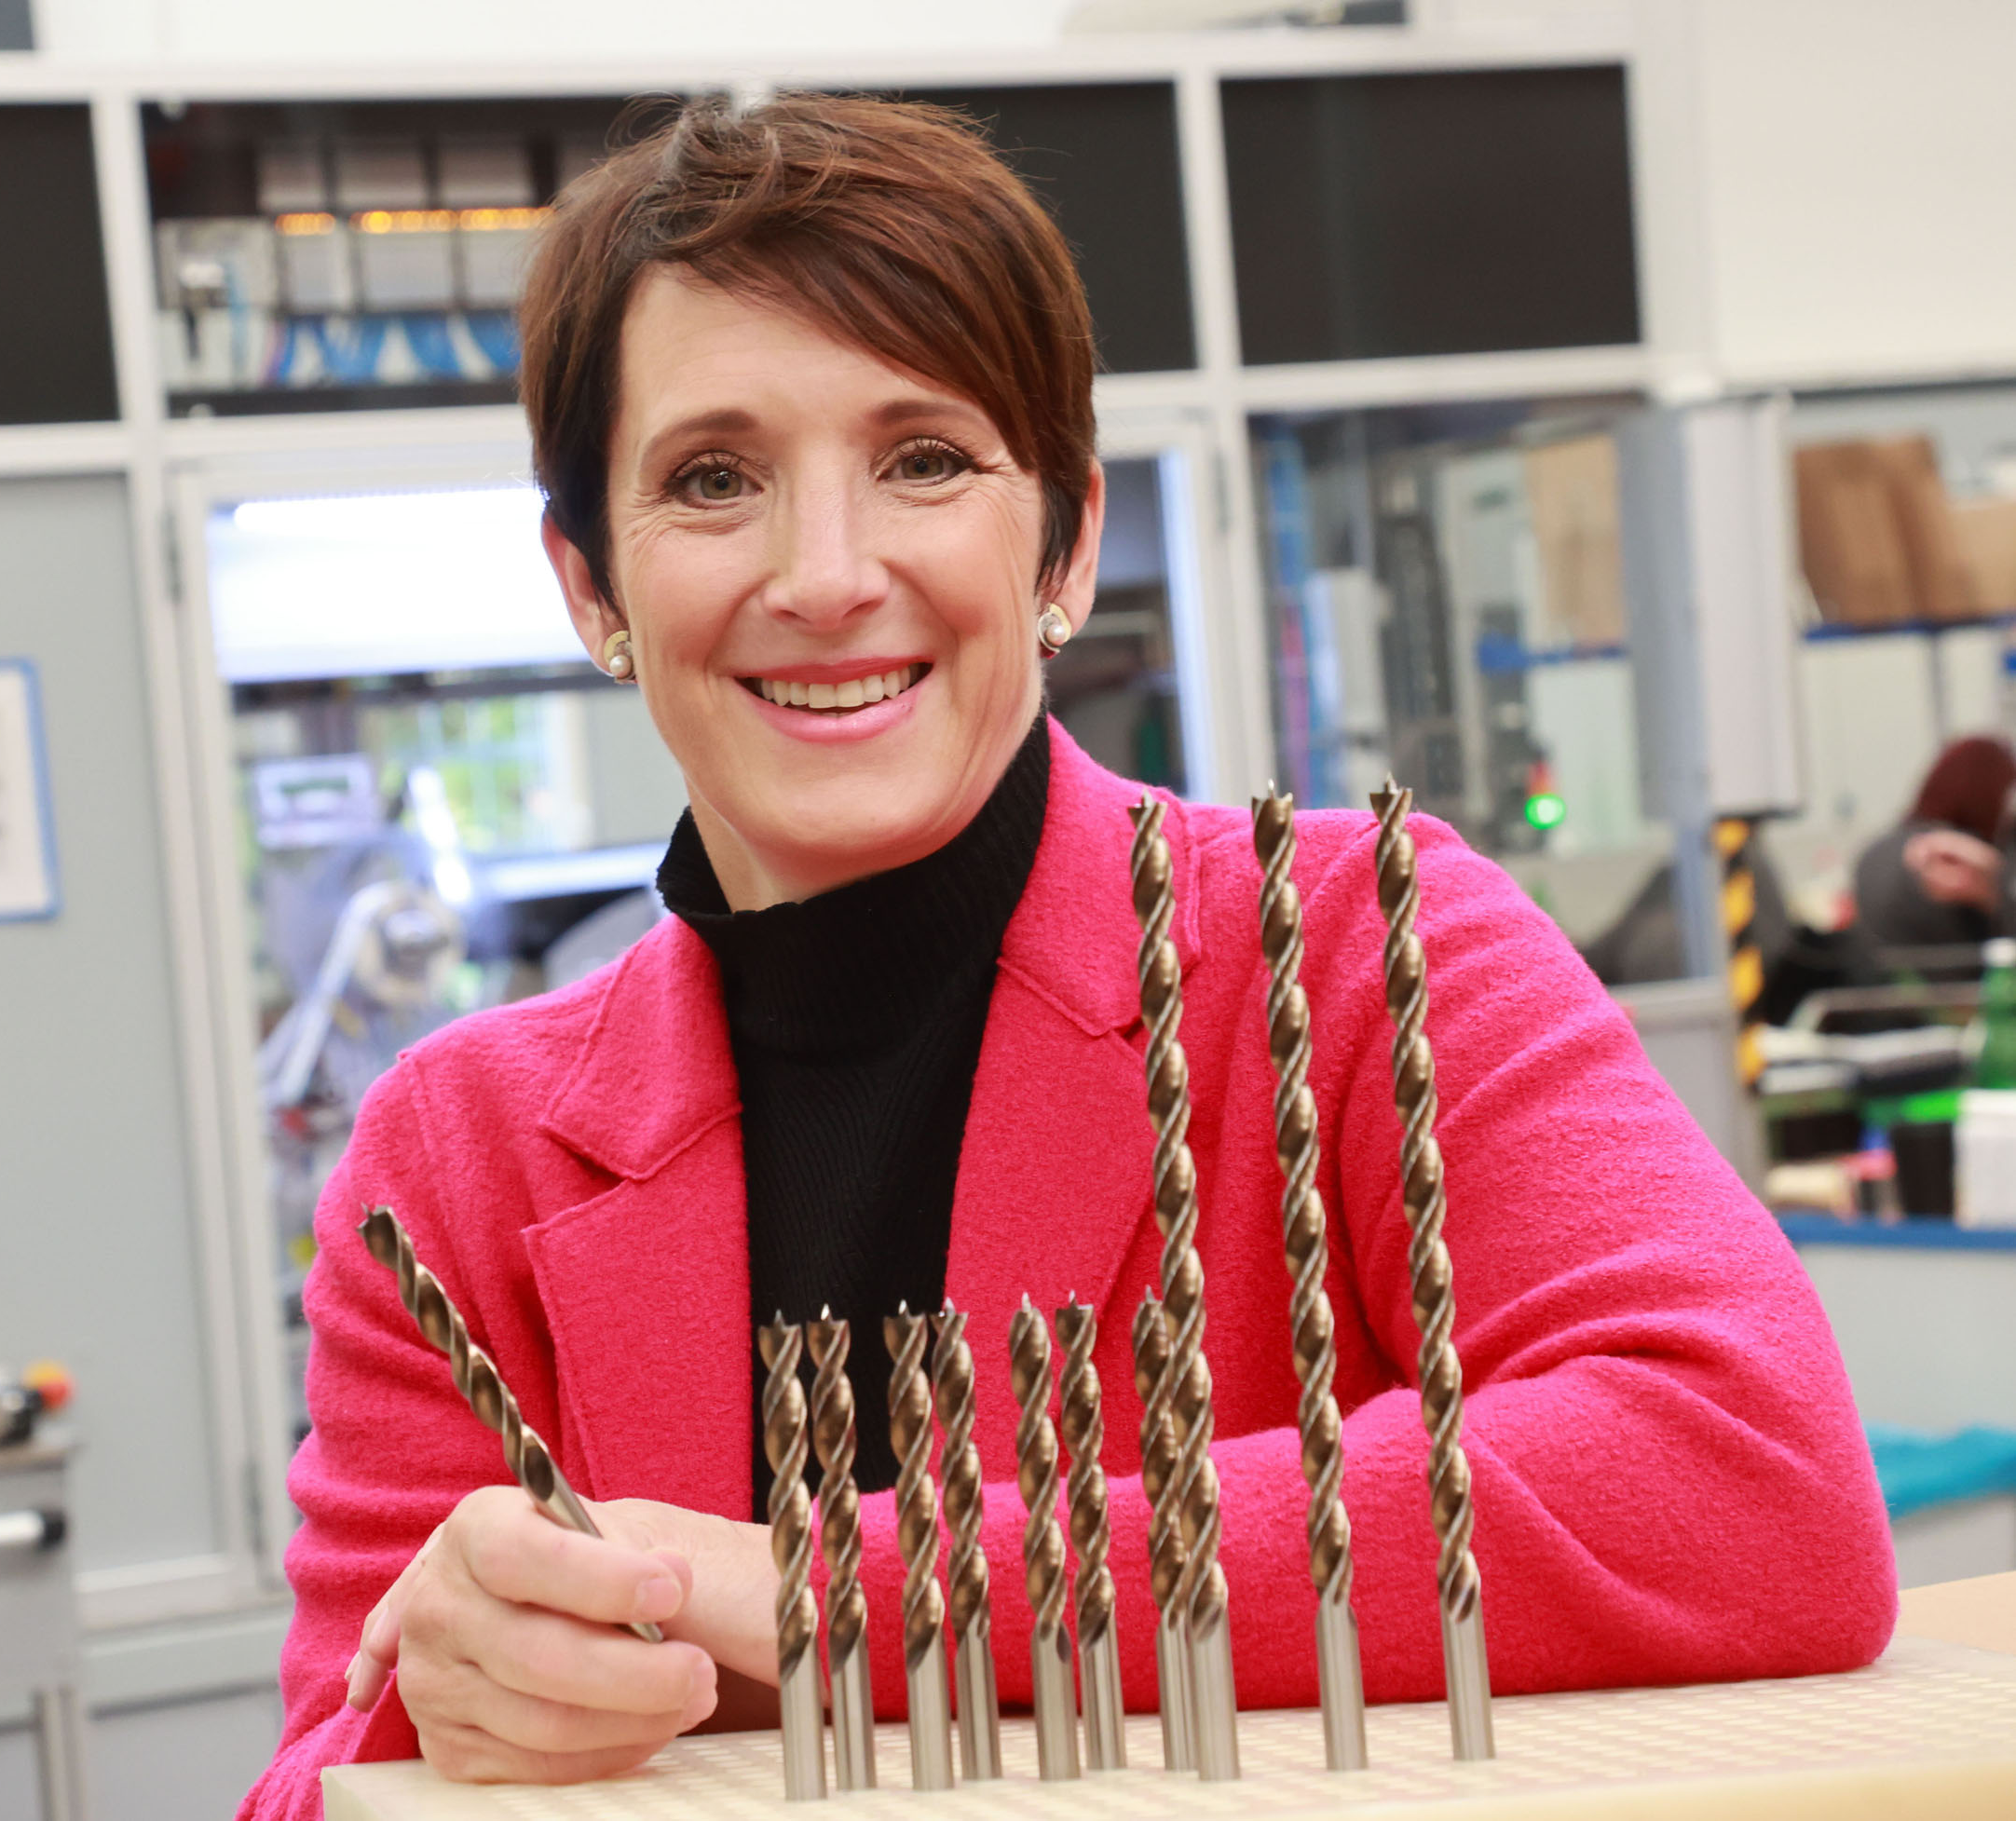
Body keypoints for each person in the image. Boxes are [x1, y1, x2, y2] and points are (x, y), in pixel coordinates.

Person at [238, 97, 1892, 1821]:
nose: (827, 576)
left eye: (923, 459)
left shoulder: (1352, 946)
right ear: (591, 584)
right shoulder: (457, 1160)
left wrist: (824, 1587)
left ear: (1066, 543)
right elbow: (306, 1786)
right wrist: (432, 1716)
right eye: (712, 479)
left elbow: (1746, 1484)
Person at [1851, 735, 2016, 958]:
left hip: (1891, 976)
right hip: (1956, 975)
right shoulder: (1956, 855)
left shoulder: (1876, 851)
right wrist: (1995, 890)